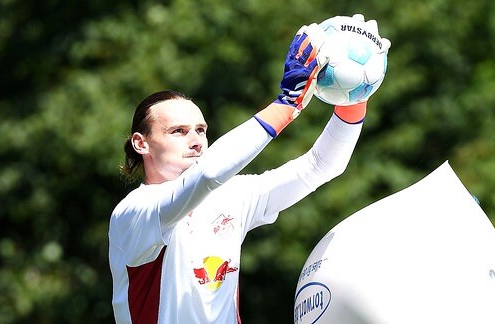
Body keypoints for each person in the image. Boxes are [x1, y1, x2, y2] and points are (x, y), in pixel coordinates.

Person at [108, 14, 390, 323]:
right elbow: (210, 174)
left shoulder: (231, 196)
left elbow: (323, 165)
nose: (196, 141)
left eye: (201, 130)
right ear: (141, 143)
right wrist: (286, 103)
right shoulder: (134, 213)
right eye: (178, 131)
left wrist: (356, 96)